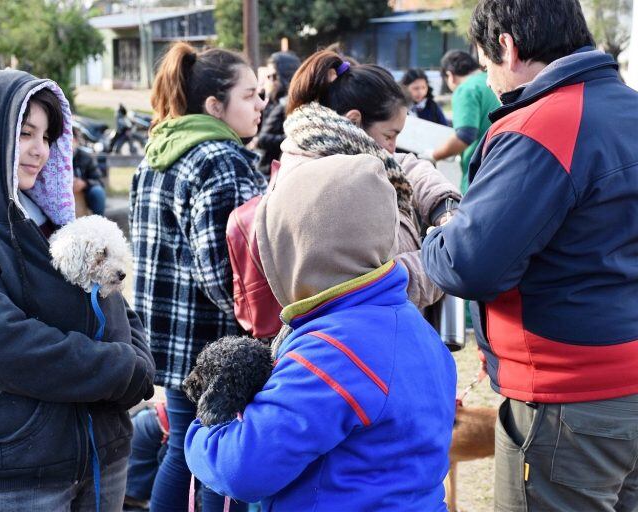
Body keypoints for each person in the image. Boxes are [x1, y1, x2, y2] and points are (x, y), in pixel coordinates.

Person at [0, 70, 155, 511]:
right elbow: (0, 344)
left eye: (48, 135)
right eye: (25, 132)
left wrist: (141, 358)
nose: (41, 149)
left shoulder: (53, 217)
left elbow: (117, 304)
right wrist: (123, 370)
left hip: (103, 458)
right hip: (14, 475)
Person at [421, 0, 638, 509]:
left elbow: (468, 263)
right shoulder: (629, 108)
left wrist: (441, 226)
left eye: (486, 63)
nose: (491, 82)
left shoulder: (542, 126)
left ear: (508, 47)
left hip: (568, 394)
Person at [185, 154, 457, 510]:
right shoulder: (413, 327)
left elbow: (241, 468)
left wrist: (204, 430)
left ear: (297, 250)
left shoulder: (332, 353)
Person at [130, 42, 267, 512]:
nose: (261, 104)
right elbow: (226, 275)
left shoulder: (158, 151)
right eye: (250, 95)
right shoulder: (220, 159)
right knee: (217, 460)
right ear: (214, 105)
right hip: (213, 342)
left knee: (182, 449)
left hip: (167, 339)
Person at [279, 50, 461, 310]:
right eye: (390, 135)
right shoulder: (334, 186)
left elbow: (405, 165)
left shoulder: (342, 153)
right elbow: (374, 287)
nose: (392, 148)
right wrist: (441, 259)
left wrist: (445, 207)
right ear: (354, 121)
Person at [432, 50, 500, 193]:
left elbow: (465, 136)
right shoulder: (491, 80)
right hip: (499, 165)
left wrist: (433, 155)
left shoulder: (466, 89)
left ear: (450, 75)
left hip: (478, 173)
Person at [247, 51, 301, 175]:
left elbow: (296, 139)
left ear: (284, 76)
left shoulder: (290, 104)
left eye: (273, 76)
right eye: (268, 76)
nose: (269, 81)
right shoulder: (273, 101)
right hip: (267, 168)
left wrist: (260, 140)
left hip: (277, 173)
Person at [72, 127, 107, 215]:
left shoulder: (86, 157)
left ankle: (99, 221)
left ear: (76, 141)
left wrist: (84, 183)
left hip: (84, 193)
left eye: (70, 140)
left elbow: (99, 181)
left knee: (97, 191)